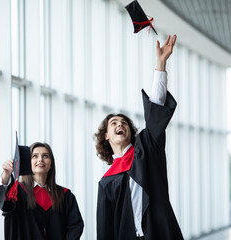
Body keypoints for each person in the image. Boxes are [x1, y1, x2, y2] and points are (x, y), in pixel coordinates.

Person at [94, 35, 184, 240]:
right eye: (114, 123)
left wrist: (160, 64)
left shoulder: (146, 151)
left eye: (124, 123)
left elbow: (155, 112)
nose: (120, 125)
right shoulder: (106, 182)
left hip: (160, 234)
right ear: (106, 136)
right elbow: (105, 230)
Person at [0, 142, 84, 240]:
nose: (40, 159)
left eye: (45, 156)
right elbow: (5, 204)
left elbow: (75, 226)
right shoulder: (18, 192)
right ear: (28, 163)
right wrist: (6, 175)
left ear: (51, 164)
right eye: (35, 156)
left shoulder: (65, 195)